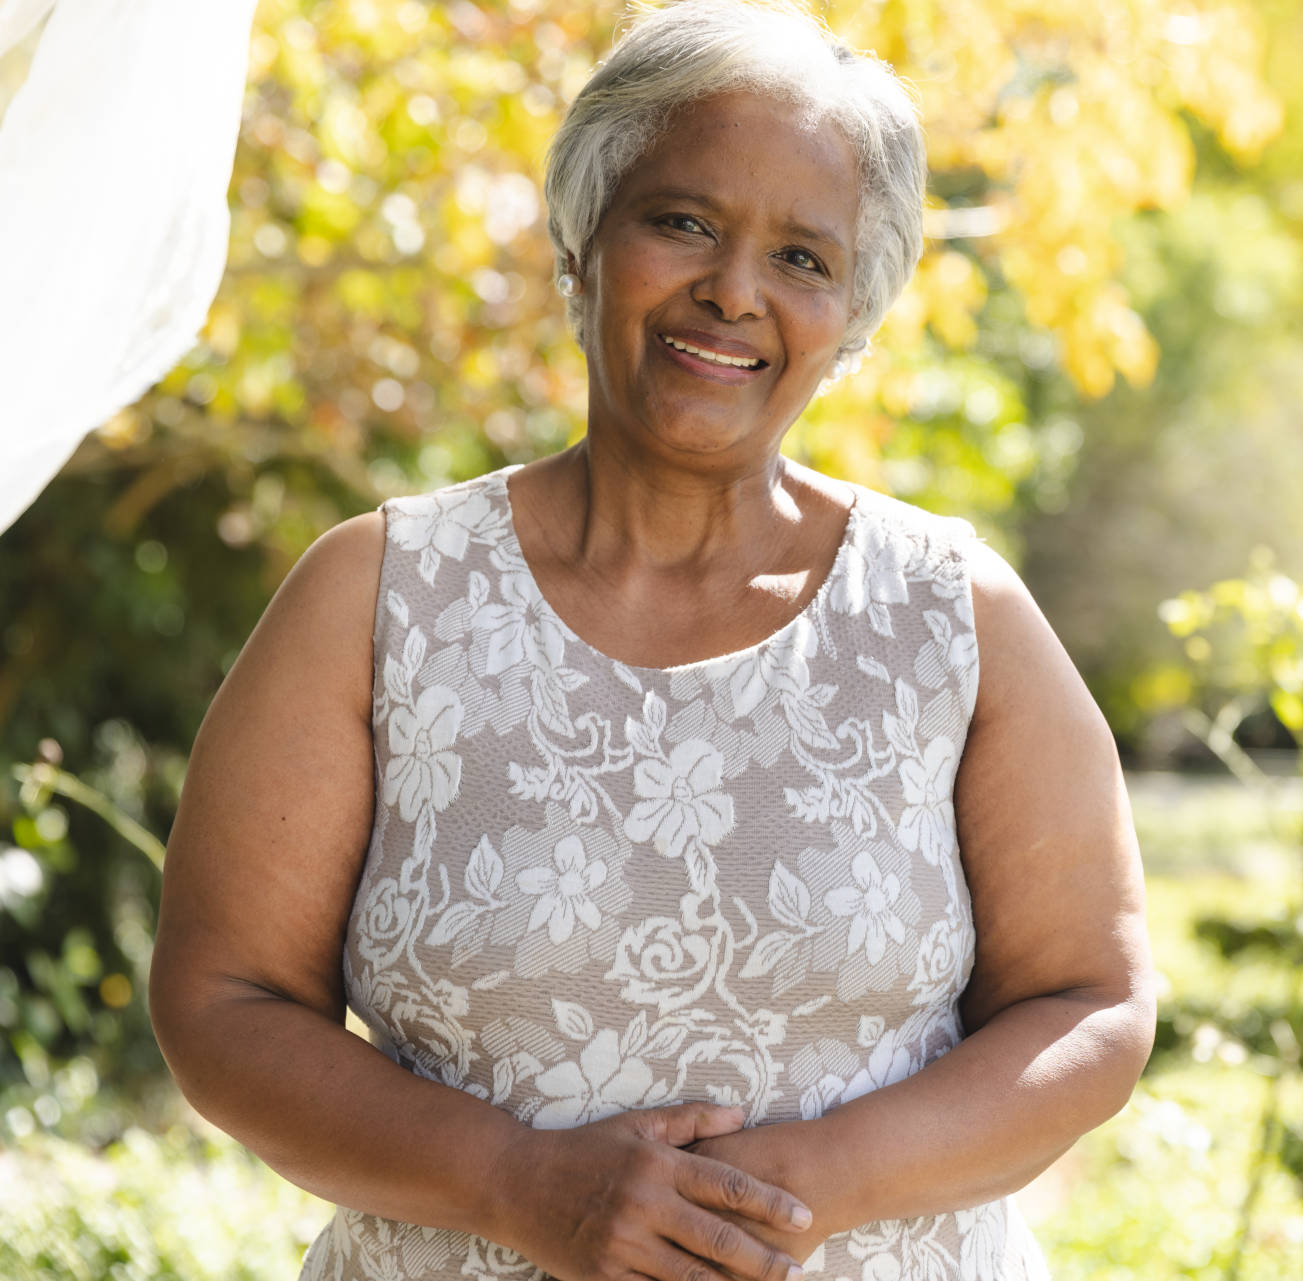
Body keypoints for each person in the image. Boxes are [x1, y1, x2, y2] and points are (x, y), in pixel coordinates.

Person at [148, 2, 1155, 1279]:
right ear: (583, 243)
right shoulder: (375, 596)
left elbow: (1094, 1007)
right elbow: (222, 1003)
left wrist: (802, 1188)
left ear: (852, 313)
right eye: (681, 222)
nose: (733, 292)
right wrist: (521, 1187)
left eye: (802, 257)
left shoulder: (953, 616)